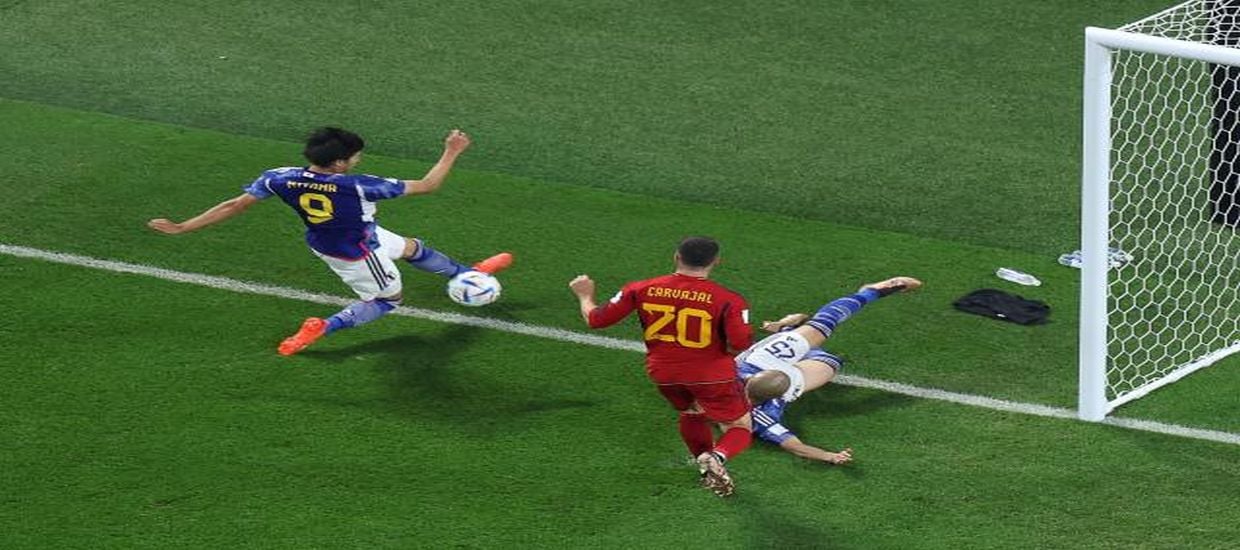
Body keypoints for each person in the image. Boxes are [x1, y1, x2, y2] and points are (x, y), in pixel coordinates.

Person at [148, 127, 512, 355]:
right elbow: (429, 185)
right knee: (387, 300)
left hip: (340, 237)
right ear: (339, 163)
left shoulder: (279, 177)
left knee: (411, 247)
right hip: (358, 252)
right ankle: (323, 327)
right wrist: (452, 150)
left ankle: (467, 274)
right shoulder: (358, 185)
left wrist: (184, 227)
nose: (359, 159)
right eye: (355, 156)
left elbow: (235, 205)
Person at [568, 237, 753, 497]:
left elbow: (596, 320)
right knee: (739, 426)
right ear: (716, 262)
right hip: (711, 375)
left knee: (691, 411)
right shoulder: (729, 300)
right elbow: (740, 343)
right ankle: (717, 457)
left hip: (664, 373)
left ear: (676, 256)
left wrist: (585, 295)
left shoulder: (641, 288)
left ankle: (704, 465)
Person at [737, 276, 922, 465]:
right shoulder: (756, 414)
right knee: (829, 358)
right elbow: (794, 446)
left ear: (750, 381)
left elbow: (794, 446)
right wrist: (828, 456)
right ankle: (787, 329)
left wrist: (830, 456)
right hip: (763, 363)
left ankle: (871, 291)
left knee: (823, 326)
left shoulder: (746, 404)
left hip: (760, 361)